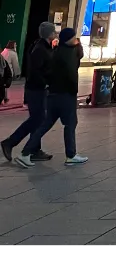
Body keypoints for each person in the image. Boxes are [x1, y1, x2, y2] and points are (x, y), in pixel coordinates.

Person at [23, 27, 86, 165]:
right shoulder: (66, 53)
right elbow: (71, 74)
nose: (76, 39)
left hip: (53, 94)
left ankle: (26, 152)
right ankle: (71, 155)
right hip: (65, 95)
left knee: (46, 124)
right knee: (70, 123)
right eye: (74, 37)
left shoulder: (57, 51)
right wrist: (73, 90)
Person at [1, 23, 57, 167]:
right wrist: (45, 83)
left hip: (38, 89)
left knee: (38, 119)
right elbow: (35, 71)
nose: (55, 33)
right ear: (48, 33)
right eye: (54, 31)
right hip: (36, 89)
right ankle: (10, 142)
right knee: (38, 119)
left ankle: (34, 149)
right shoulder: (39, 49)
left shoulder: (43, 46)